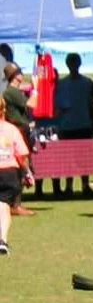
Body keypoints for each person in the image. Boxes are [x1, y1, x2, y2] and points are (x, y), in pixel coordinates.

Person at [0, 107, 28, 254]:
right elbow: (22, 155)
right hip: (8, 172)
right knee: (3, 206)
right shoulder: (12, 130)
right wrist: (27, 173)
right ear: (3, 110)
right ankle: (2, 239)